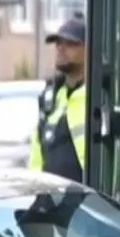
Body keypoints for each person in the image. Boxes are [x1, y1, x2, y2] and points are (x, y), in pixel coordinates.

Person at [32, 16, 89, 183]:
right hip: (50, 196)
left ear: (88, 49)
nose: (61, 49)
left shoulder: (98, 95)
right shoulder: (51, 97)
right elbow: (38, 151)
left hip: (87, 198)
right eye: (58, 43)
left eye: (71, 44)